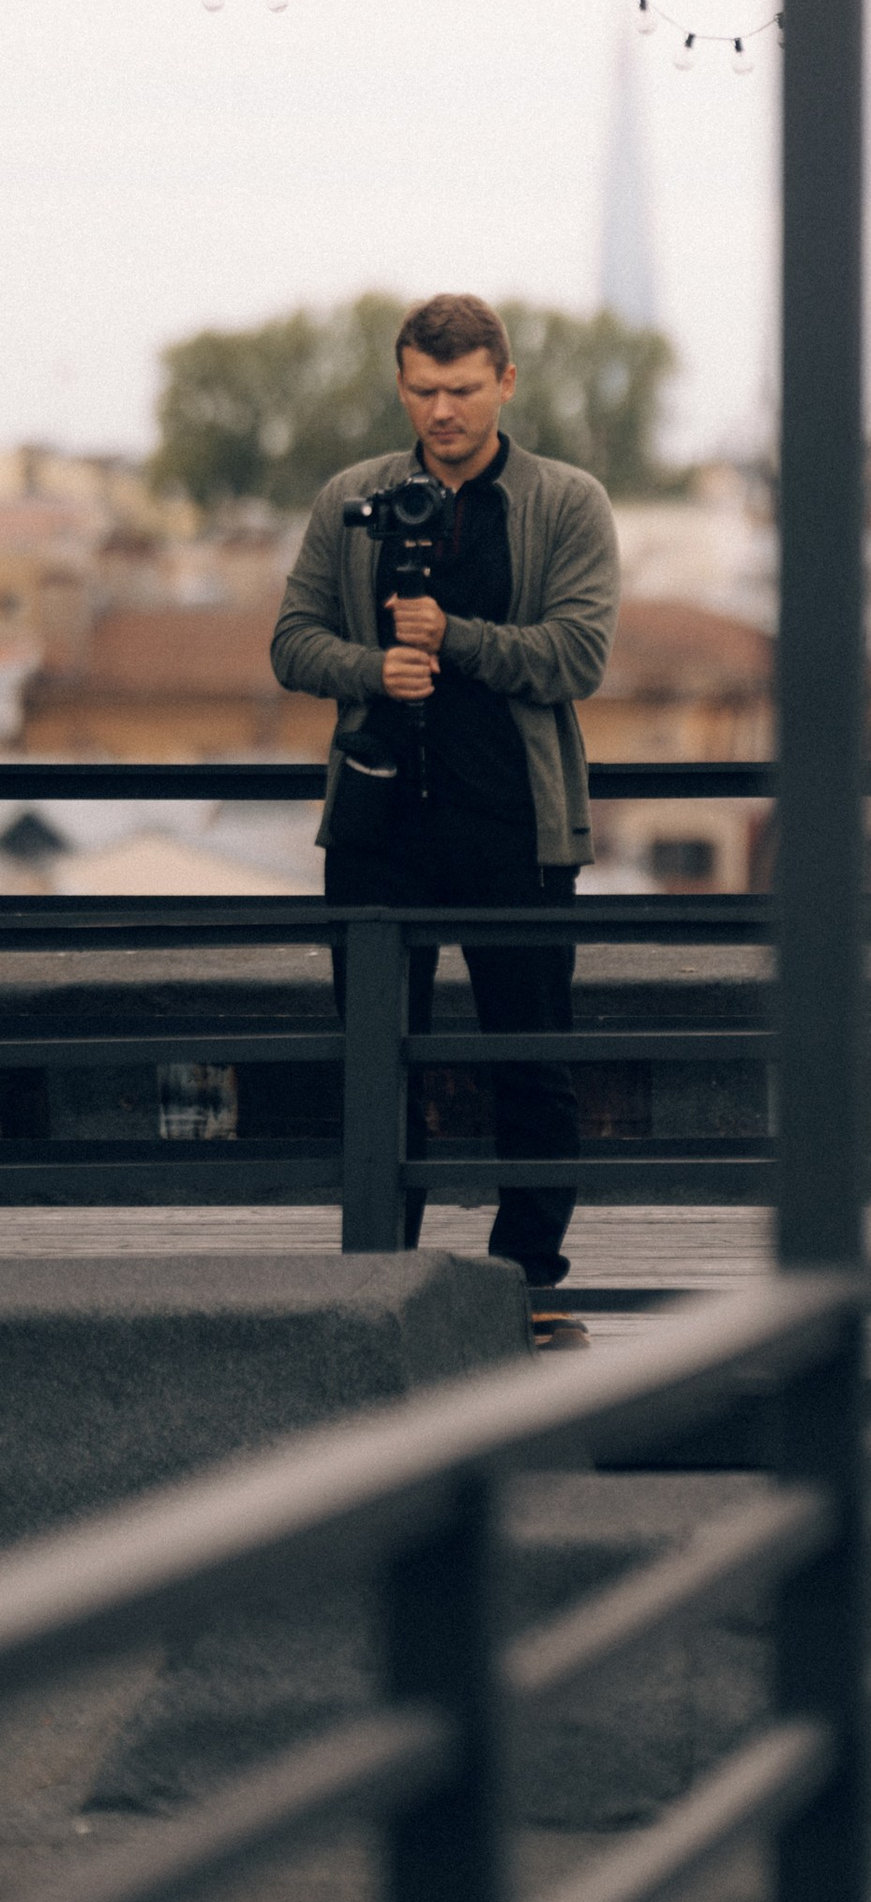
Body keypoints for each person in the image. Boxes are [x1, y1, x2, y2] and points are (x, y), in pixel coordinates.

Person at [271, 293, 620, 1342]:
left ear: (506, 383)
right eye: (423, 390)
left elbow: (578, 657)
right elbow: (291, 641)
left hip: (516, 824)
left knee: (533, 1057)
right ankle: (381, 1284)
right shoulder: (352, 497)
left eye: (463, 390)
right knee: (376, 1061)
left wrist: (454, 636)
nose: (443, 412)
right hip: (379, 826)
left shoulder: (566, 501)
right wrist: (372, 665)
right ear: (401, 384)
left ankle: (530, 1283)